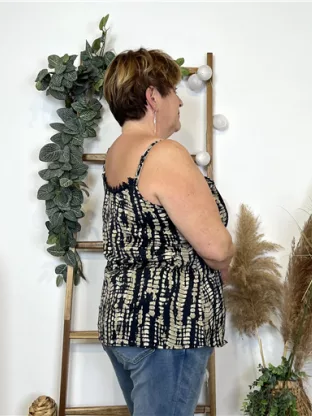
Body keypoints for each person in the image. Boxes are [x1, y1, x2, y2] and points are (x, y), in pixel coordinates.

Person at [98, 48, 233, 416]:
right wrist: (225, 259)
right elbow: (217, 248)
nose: (180, 102)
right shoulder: (163, 154)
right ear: (152, 97)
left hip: (123, 322)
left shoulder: (116, 153)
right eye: (173, 91)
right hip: (167, 328)